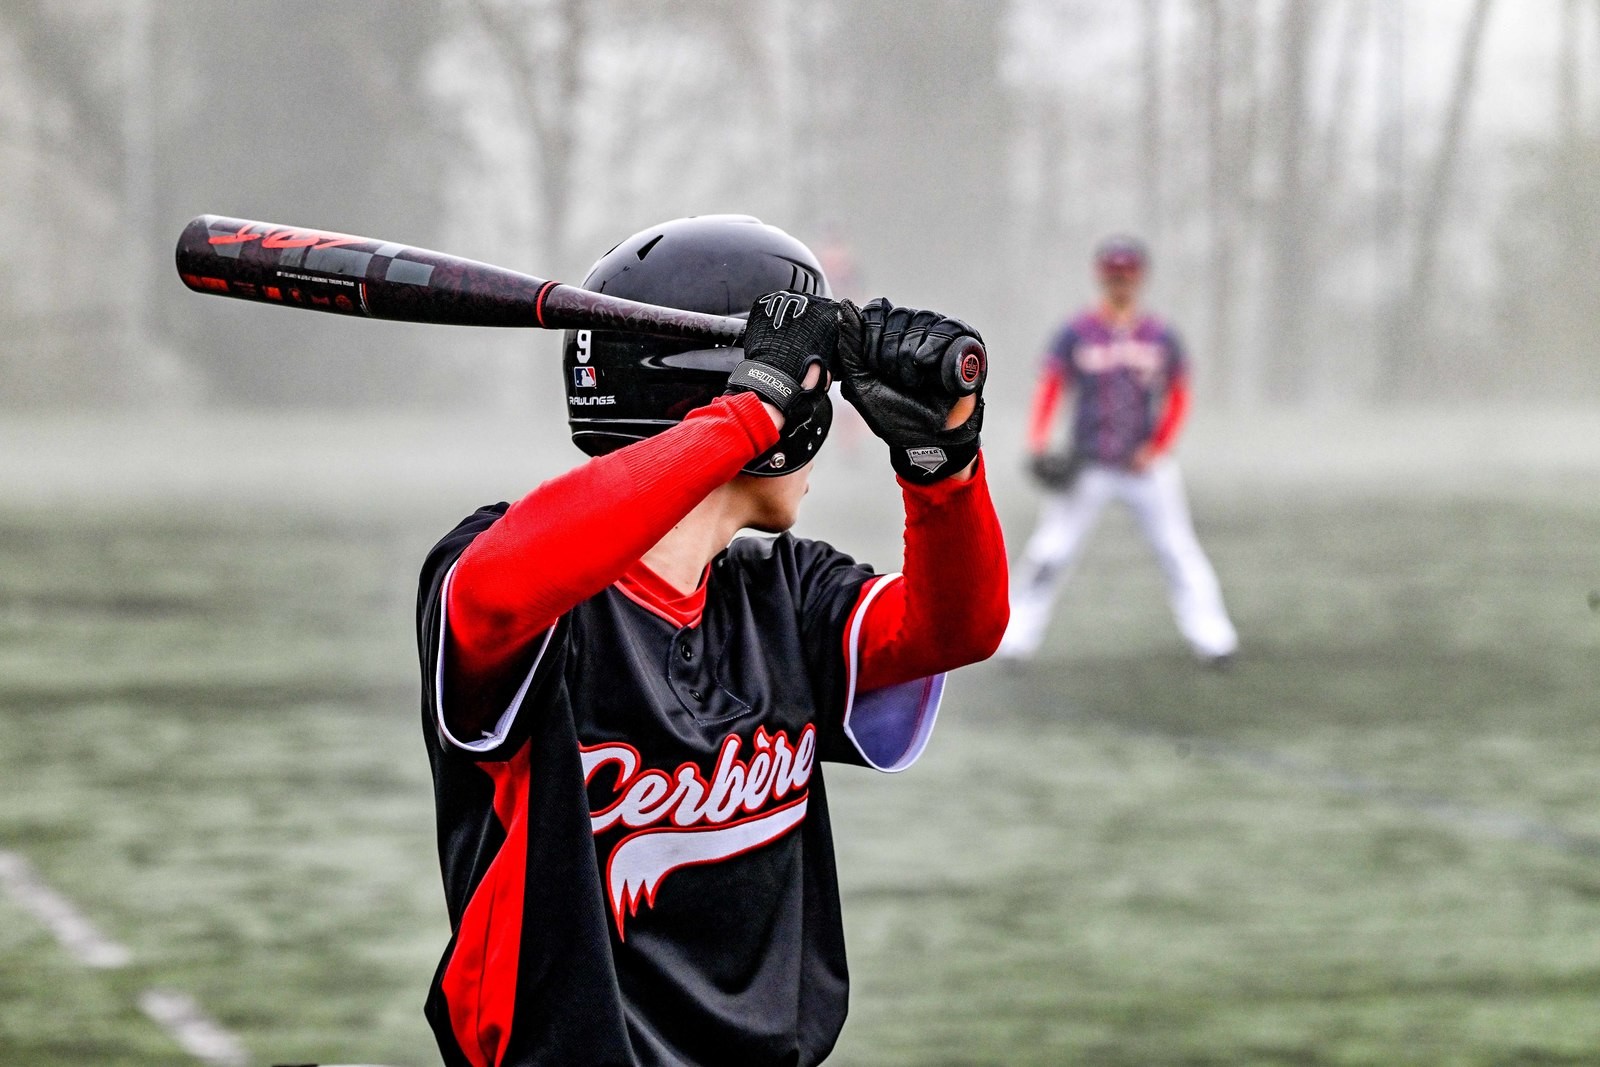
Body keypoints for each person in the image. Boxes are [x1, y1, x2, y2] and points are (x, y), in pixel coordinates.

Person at [415, 215, 1008, 1067]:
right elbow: (498, 589)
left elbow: (960, 627)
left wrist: (941, 462)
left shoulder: (786, 594)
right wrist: (750, 412)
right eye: (813, 383)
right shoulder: (518, 578)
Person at [997, 235, 1238, 666]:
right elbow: (1051, 385)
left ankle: (1214, 640)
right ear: (1100, 276)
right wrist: (1037, 439)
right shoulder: (1077, 332)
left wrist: (1159, 445)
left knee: (1178, 552)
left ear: (1141, 278)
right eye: (1112, 275)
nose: (1119, 283)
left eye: (1127, 275)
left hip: (1144, 466)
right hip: (1088, 464)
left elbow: (1179, 393)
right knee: (1050, 552)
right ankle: (1015, 638)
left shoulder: (1160, 334)